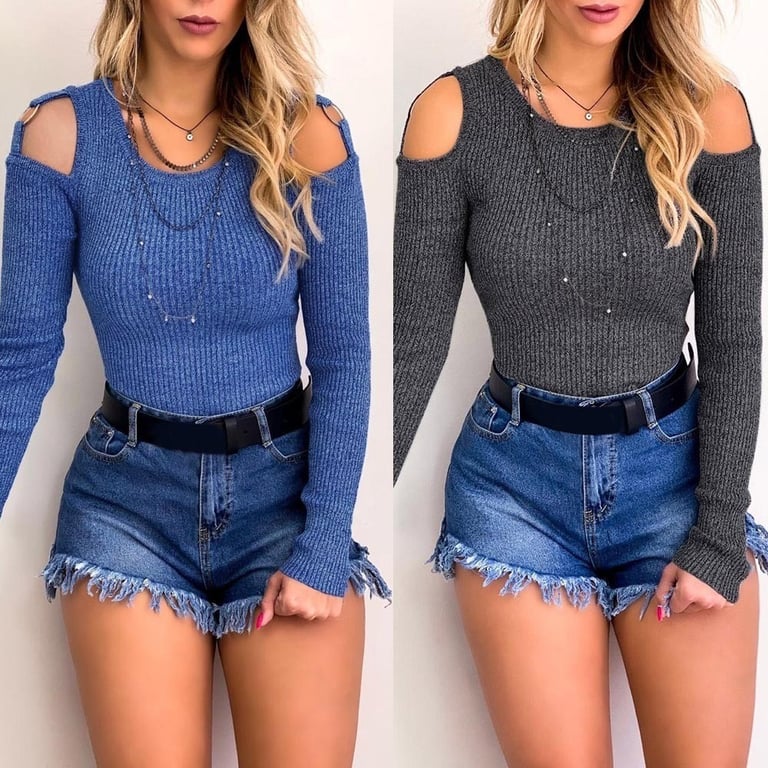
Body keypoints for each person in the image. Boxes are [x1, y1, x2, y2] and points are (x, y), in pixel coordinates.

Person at [0, 0, 391, 765]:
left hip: (287, 504)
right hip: (126, 510)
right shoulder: (60, 136)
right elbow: (19, 357)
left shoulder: (307, 134)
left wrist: (322, 545)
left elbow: (344, 356)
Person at [394, 0, 768, 764]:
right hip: (514, 493)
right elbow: (411, 345)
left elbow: (734, 342)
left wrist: (717, 531)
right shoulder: (452, 114)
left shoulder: (711, 113)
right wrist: (331, 517)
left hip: (679, 487)